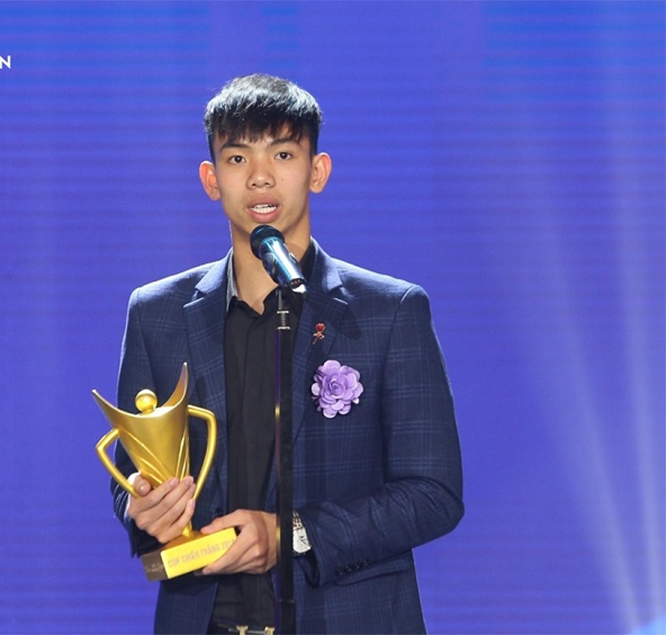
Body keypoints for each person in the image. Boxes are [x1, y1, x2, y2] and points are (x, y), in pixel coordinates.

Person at [111, 74, 464, 634]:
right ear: (210, 179)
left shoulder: (388, 311)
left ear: (317, 171)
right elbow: (133, 473)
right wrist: (143, 507)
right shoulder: (157, 314)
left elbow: (433, 493)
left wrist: (290, 534)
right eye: (236, 158)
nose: (260, 176)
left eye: (282, 153)